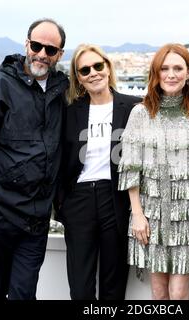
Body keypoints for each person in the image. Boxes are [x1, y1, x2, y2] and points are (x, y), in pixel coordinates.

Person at [0, 18, 68, 300]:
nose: (42, 54)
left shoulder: (61, 91)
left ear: (60, 55)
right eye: (37, 45)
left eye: (50, 49)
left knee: (23, 295)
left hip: (35, 223)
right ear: (26, 44)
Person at [117, 43, 189, 300]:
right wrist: (137, 215)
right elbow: (130, 168)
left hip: (186, 219)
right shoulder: (140, 113)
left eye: (177, 68)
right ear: (155, 74)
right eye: (164, 68)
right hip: (150, 217)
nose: (171, 74)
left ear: (188, 73)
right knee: (159, 295)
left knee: (179, 293)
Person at [56, 44, 142, 300]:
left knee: (113, 284)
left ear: (107, 68)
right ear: (78, 77)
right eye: (85, 70)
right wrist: (62, 203)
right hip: (78, 200)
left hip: (115, 197)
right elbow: (58, 156)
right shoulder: (69, 110)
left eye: (97, 66)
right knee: (80, 287)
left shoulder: (133, 107)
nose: (92, 72)